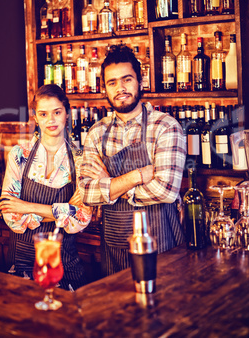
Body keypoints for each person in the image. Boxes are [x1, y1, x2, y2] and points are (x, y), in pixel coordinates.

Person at [79, 44, 186, 277]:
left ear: (140, 81)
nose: (120, 88)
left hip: (161, 247)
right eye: (112, 82)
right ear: (105, 88)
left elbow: (165, 190)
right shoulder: (96, 133)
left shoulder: (165, 127)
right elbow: (87, 192)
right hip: (115, 249)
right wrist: (135, 177)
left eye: (127, 79)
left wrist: (111, 184)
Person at [0, 84, 92, 290]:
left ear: (67, 114)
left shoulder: (81, 159)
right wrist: (65, 209)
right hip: (21, 263)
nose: (50, 120)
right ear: (35, 117)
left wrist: (26, 207)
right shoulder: (19, 154)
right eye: (43, 113)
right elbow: (10, 215)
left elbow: (82, 219)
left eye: (57, 112)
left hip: (64, 263)